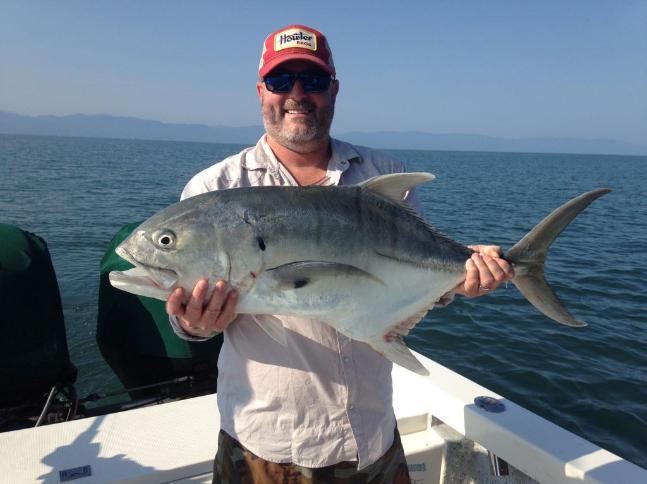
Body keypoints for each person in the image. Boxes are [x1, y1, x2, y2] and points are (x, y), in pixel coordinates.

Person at [166, 24, 514, 483]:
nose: (296, 94)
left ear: (333, 89)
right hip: (266, 445)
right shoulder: (215, 189)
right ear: (261, 91)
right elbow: (187, 322)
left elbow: (410, 276)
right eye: (280, 80)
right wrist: (194, 322)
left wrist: (461, 278)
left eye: (312, 80)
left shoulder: (382, 173)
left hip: (373, 439)